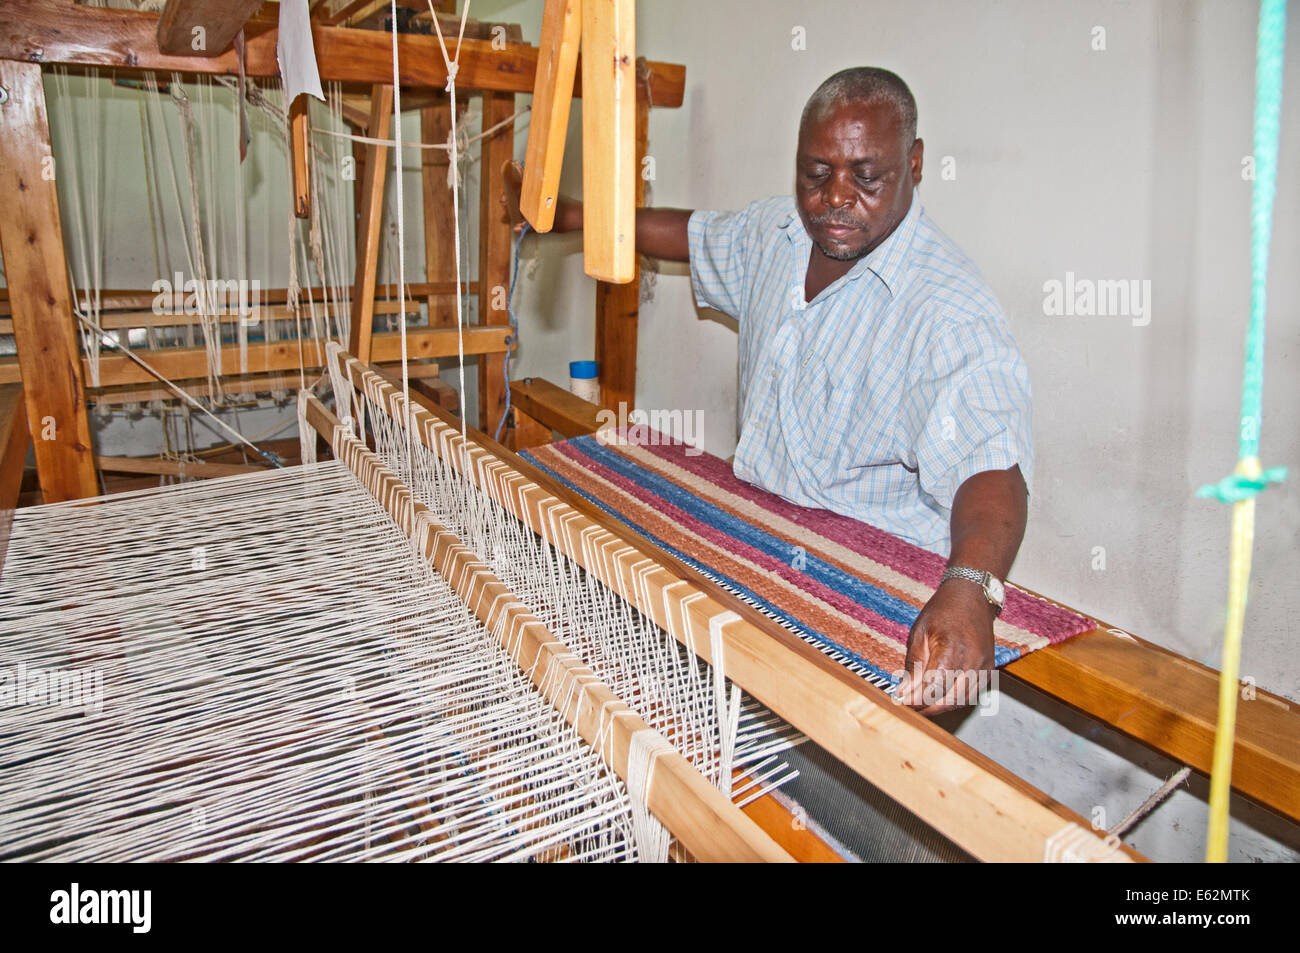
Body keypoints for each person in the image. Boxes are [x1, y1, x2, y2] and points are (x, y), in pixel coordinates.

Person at [503, 67, 1033, 715]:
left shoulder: (947, 308)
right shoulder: (776, 235)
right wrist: (574, 218)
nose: (836, 197)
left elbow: (991, 468)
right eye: (816, 173)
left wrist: (970, 590)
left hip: (865, 607)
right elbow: (691, 235)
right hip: (756, 558)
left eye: (867, 175)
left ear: (914, 163)